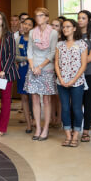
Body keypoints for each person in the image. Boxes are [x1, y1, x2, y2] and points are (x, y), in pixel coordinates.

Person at [55, 19, 88, 147]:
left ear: (74, 28)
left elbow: (84, 65)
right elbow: (56, 63)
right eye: (63, 27)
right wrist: (61, 79)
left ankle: (76, 135)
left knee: (76, 109)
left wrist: (73, 80)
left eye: (68, 27)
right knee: (65, 108)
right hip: (61, 81)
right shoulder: (60, 44)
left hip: (77, 82)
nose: (65, 29)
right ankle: (68, 135)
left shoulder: (82, 44)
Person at [26, 8, 58, 141]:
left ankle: (45, 128)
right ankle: (38, 127)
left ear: (47, 18)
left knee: (46, 99)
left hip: (46, 67)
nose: (38, 18)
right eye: (36, 15)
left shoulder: (53, 33)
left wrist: (40, 66)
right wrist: (33, 66)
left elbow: (52, 52)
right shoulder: (32, 32)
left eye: (41, 15)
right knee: (34, 99)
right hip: (33, 68)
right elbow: (29, 51)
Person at [77, 11, 91, 142]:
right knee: (75, 103)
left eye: (83, 18)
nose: (80, 20)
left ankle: (85, 131)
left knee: (88, 101)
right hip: (74, 74)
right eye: (79, 18)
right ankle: (76, 130)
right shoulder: (74, 36)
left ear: (89, 20)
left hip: (90, 73)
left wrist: (75, 60)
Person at [16, 17, 33, 132]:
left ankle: (35, 120)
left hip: (33, 69)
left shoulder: (35, 39)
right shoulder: (18, 39)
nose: (26, 26)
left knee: (34, 97)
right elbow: (15, 56)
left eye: (29, 24)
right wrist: (27, 58)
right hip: (22, 69)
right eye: (25, 24)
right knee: (24, 97)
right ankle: (28, 124)